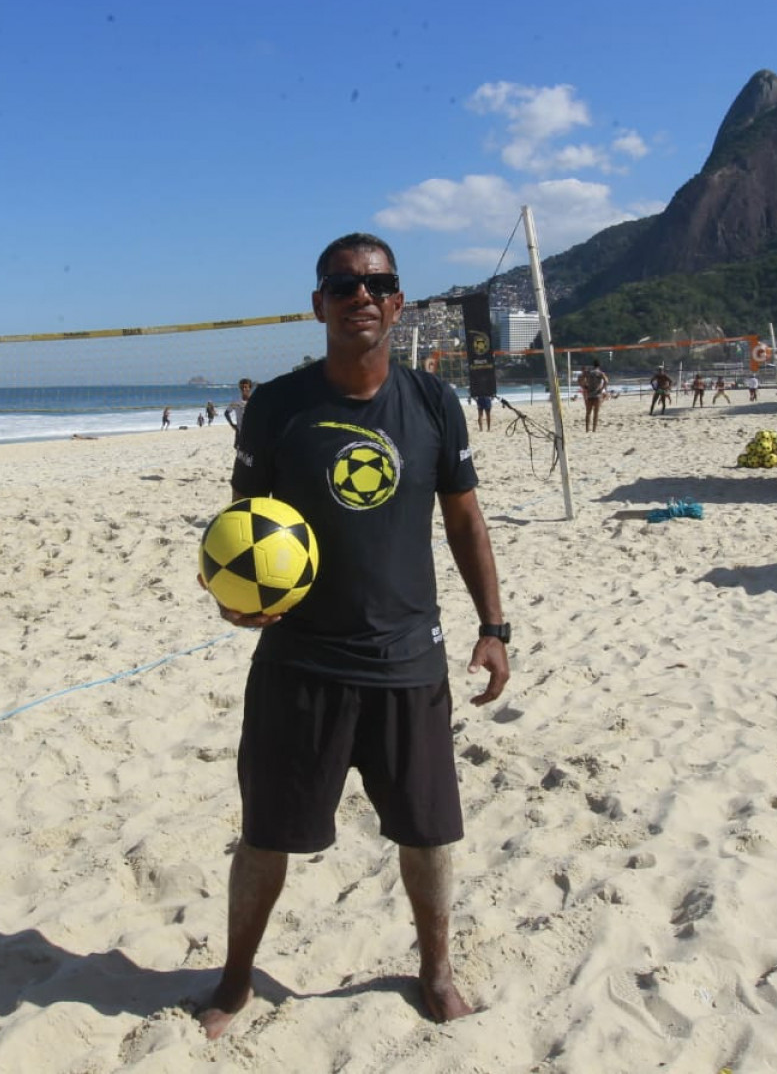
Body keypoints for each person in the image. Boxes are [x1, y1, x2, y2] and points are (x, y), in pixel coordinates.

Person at [198, 233, 509, 1039]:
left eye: (376, 284)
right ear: (319, 304)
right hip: (299, 661)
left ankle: (435, 971)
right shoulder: (277, 407)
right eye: (342, 285)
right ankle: (235, 977)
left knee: (429, 833)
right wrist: (230, 600)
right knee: (265, 835)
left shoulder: (432, 403)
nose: (360, 296)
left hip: (408, 659)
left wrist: (493, 625)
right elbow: (240, 529)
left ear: (398, 302)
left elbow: (465, 519)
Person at [578, 361, 607, 431]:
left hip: (589, 394)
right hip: (597, 395)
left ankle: (587, 429)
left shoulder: (589, 372)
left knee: (588, 413)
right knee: (596, 413)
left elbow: (580, 379)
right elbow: (606, 381)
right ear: (599, 366)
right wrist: (601, 389)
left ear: (593, 366)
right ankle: (594, 429)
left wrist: (584, 386)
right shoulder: (600, 373)